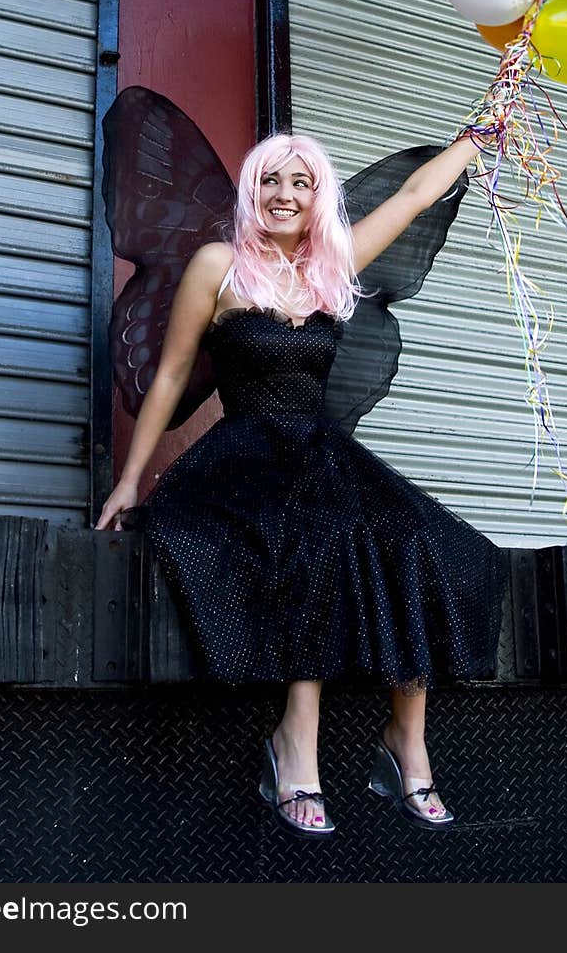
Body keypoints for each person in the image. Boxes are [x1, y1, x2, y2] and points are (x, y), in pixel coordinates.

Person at [94, 124, 506, 839]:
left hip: (322, 452)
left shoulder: (332, 266)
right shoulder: (217, 265)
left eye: (301, 182)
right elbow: (169, 374)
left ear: (319, 198)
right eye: (270, 180)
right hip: (244, 454)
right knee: (314, 541)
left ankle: (406, 739)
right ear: (252, 193)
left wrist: (484, 130)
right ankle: (296, 742)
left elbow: (413, 193)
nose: (284, 195)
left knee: (423, 541)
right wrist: (131, 478)